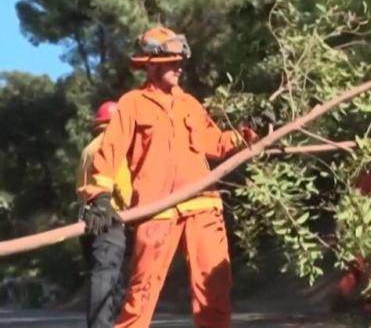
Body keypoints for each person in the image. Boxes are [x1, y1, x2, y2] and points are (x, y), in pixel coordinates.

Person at [78, 26, 262, 328]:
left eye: (180, 61)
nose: (179, 67)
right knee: (141, 297)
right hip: (157, 209)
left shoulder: (189, 104)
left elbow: (215, 143)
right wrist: (99, 195)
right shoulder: (132, 104)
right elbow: (109, 150)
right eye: (172, 62)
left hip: (203, 206)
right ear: (151, 63)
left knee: (214, 295)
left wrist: (247, 133)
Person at [77, 101, 133, 328]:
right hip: (109, 218)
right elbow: (121, 184)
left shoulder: (87, 149)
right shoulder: (111, 145)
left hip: (87, 220)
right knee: (107, 274)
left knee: (102, 273)